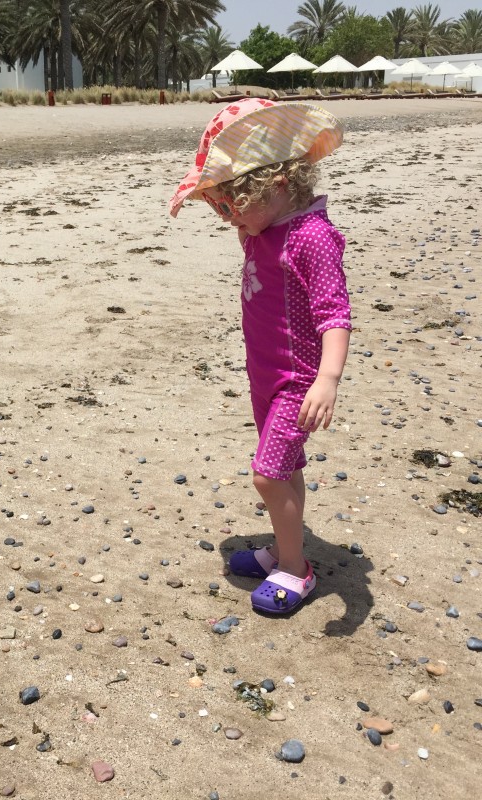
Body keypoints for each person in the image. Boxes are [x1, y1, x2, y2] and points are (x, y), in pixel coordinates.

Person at [169, 98, 351, 614]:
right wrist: (244, 216)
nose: (227, 220)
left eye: (232, 206)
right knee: (285, 466)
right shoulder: (263, 228)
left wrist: (327, 380)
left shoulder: (312, 237)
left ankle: (297, 570)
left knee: (268, 474)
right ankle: (282, 548)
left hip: (298, 380)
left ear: (273, 188)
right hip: (265, 375)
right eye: (218, 209)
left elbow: (335, 314)